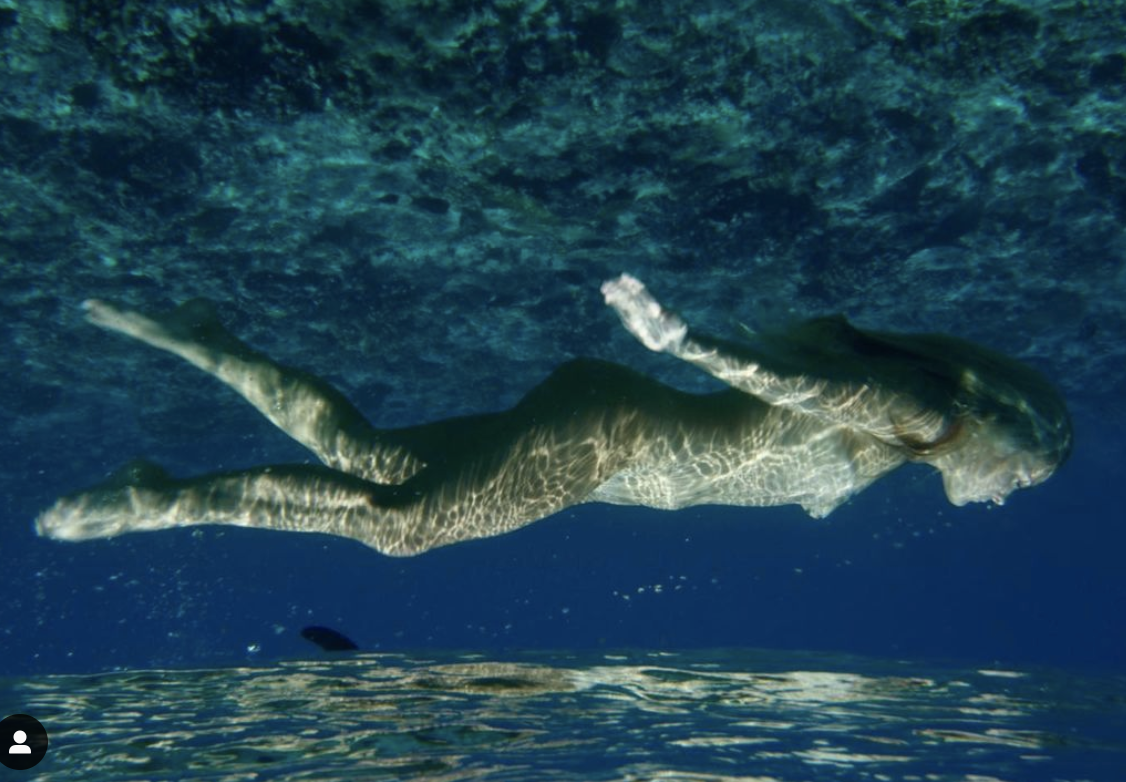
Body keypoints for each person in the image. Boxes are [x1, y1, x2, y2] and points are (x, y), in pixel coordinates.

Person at [36, 275, 1072, 556]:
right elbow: (807, 392)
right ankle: (161, 498)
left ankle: (204, 335)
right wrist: (684, 340)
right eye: (1028, 473)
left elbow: (810, 428)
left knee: (371, 457)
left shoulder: (913, 447)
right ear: (1011, 425)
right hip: (609, 434)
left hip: (604, 431)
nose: (1012, 490)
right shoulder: (928, 415)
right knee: (403, 526)